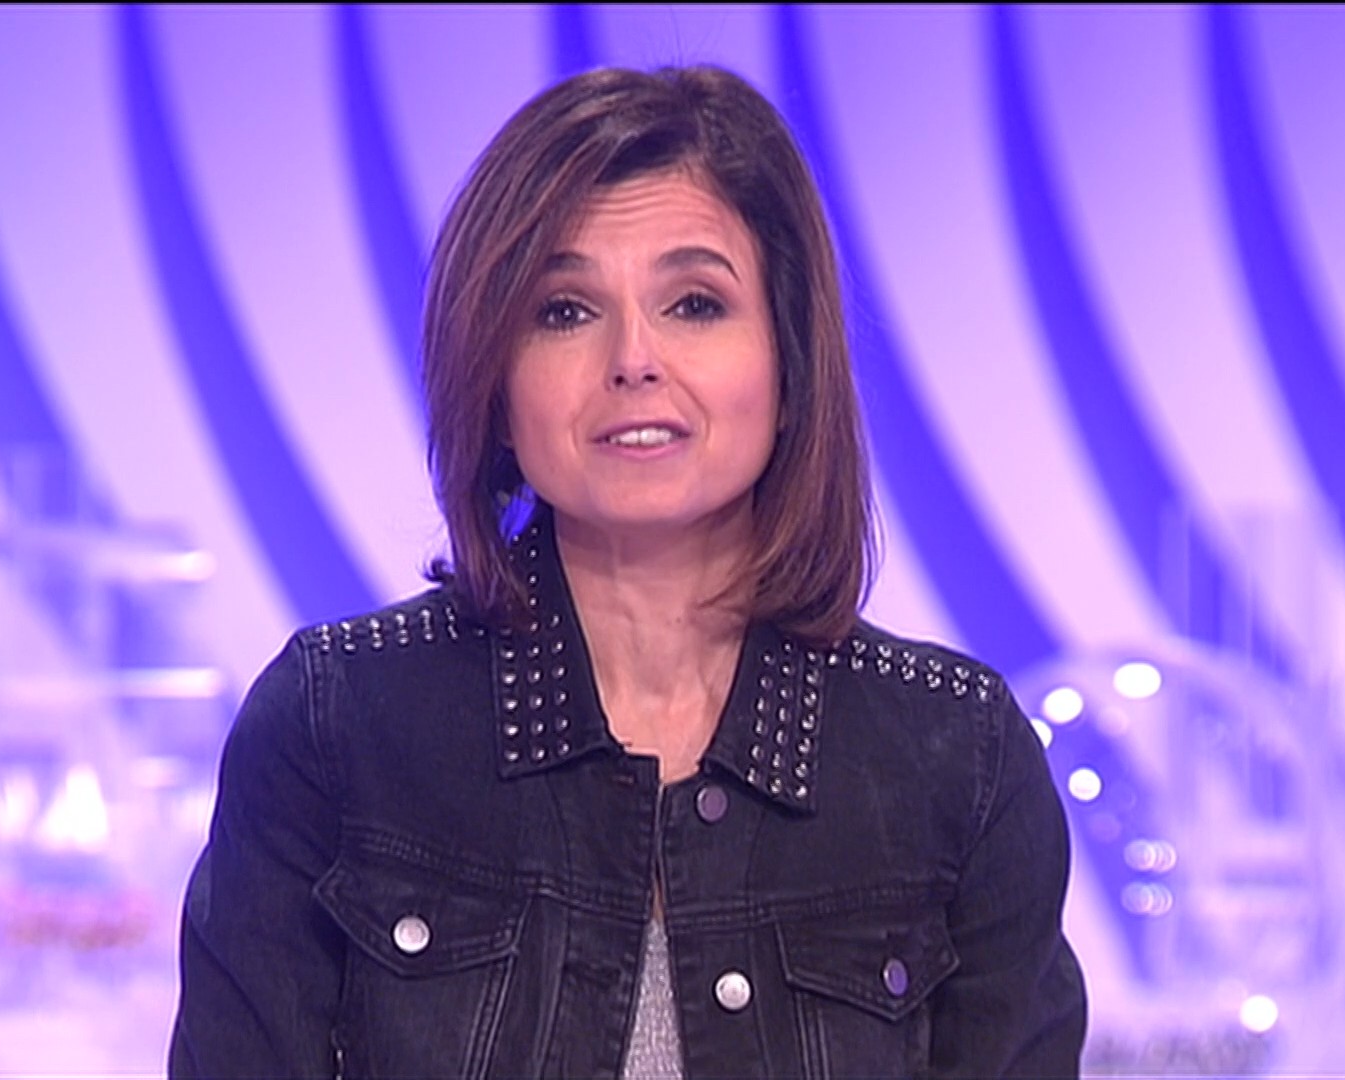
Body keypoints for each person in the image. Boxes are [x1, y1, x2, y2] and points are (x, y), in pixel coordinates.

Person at [169, 64, 1086, 1079]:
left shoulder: (957, 757)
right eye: (565, 310)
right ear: (495, 383)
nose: (634, 359)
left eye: (695, 303)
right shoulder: (335, 726)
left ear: (788, 366)